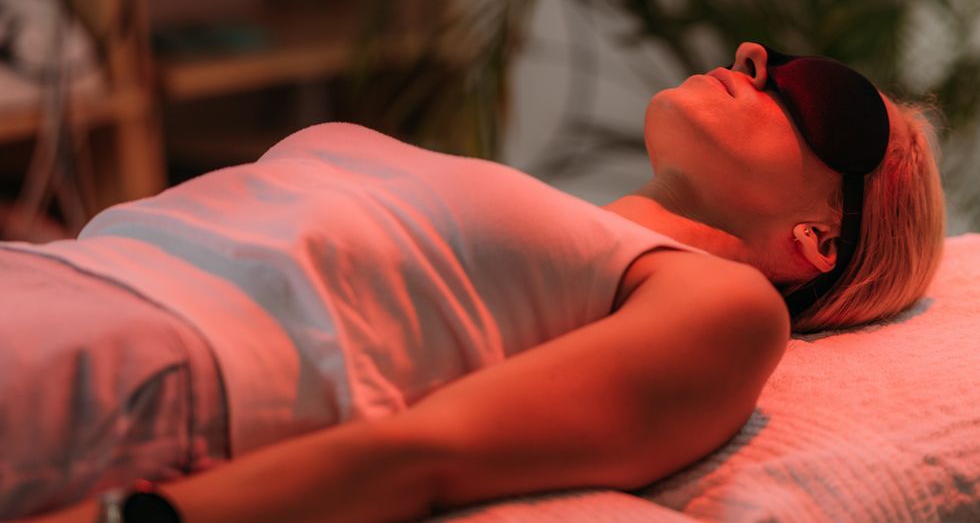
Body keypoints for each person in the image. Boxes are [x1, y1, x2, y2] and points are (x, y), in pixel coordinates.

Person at [4, 42, 944, 523]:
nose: (755, 60)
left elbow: (430, 450)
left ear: (820, 238)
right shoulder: (553, 222)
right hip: (53, 278)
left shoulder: (725, 306)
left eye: (823, 99)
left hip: (141, 356)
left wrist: (147, 517)